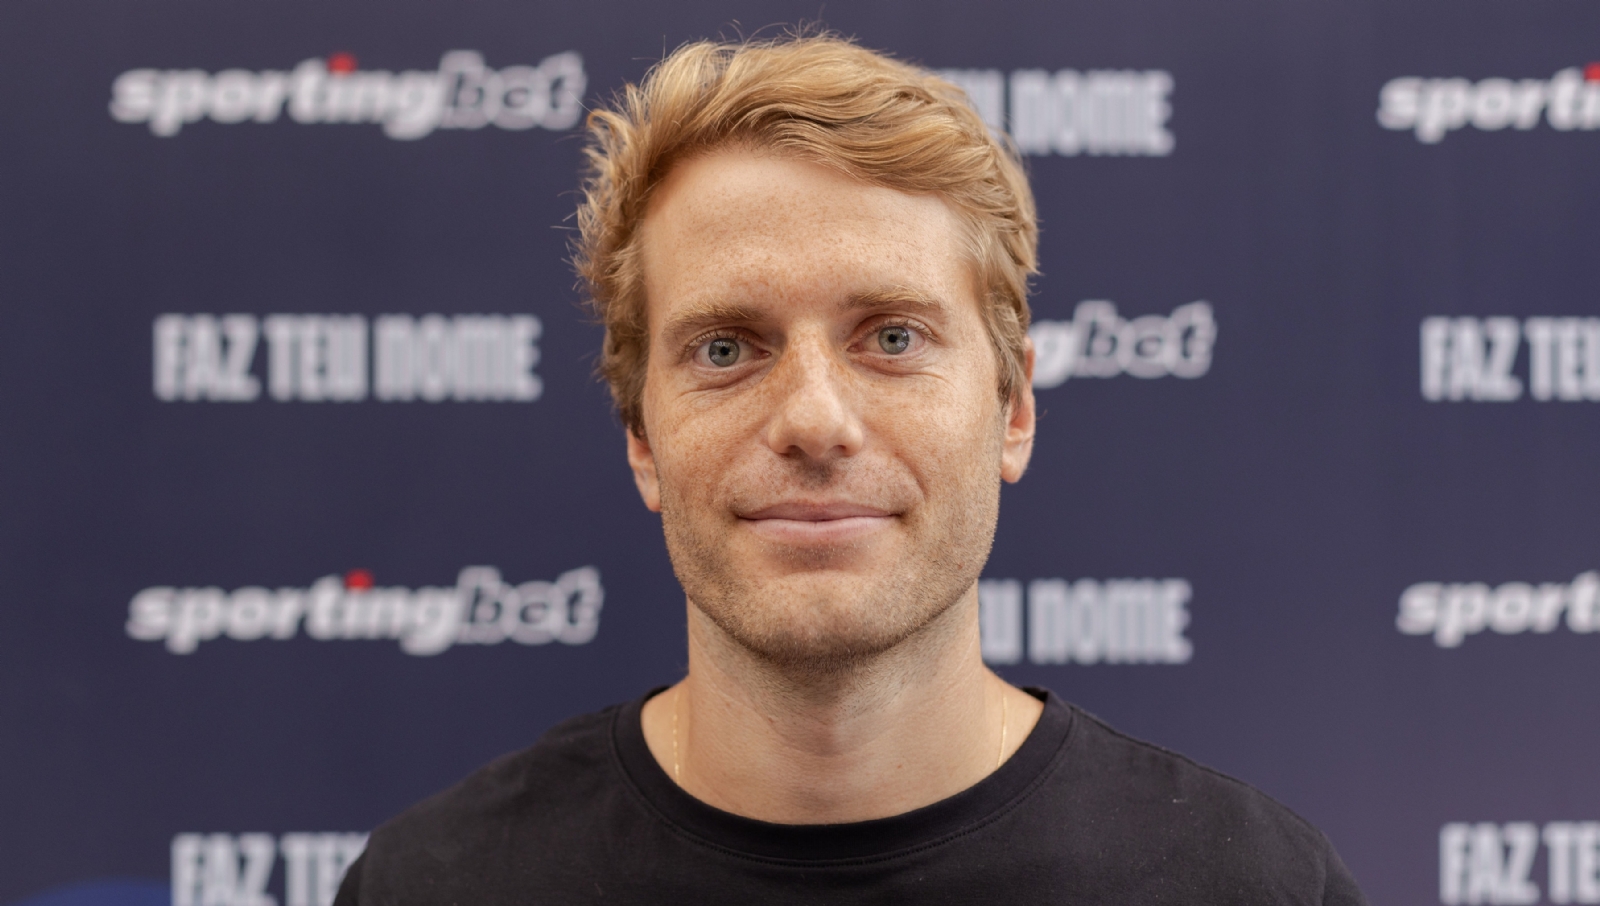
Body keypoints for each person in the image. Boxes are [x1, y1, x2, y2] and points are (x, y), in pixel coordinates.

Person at [335, 32, 1367, 905]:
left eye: (893, 338)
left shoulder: (1251, 885)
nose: (815, 421)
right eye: (726, 349)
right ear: (641, 436)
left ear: (1012, 409)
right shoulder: (435, 885)